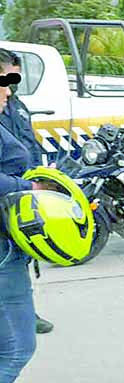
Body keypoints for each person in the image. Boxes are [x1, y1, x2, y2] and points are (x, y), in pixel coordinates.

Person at [0, 48, 53, 334]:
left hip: (23, 190)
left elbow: (29, 141)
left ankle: (25, 312)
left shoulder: (16, 105)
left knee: (21, 253)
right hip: (9, 191)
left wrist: (41, 170)